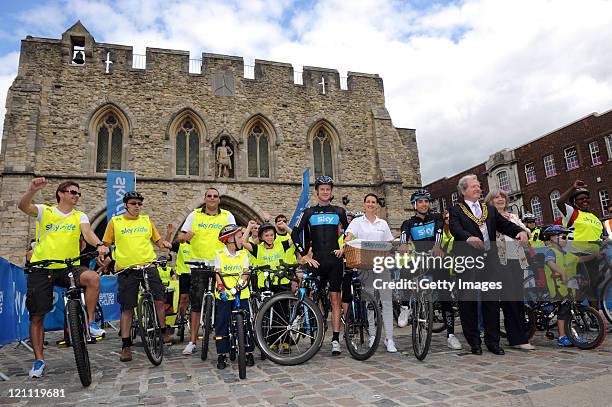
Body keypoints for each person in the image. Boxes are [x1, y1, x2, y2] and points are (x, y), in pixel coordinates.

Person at [18, 178, 109, 378]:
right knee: (37, 316)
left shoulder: (80, 216)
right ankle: (39, 360)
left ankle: (91, 323)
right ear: (61, 193)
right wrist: (32, 190)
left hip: (68, 267)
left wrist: (100, 244)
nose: (76, 196)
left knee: (93, 278)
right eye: (72, 192)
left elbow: (88, 232)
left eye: (78, 193)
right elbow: (23, 206)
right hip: (42, 268)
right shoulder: (46, 211)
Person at [449, 175, 528, 356]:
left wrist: (520, 231)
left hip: (489, 261)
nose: (478, 189)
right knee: (468, 301)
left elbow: (505, 225)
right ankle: (474, 342)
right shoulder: (456, 210)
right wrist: (468, 237)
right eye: (474, 187)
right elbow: (455, 228)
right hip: (467, 260)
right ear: (463, 191)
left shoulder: (489, 210)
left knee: (491, 301)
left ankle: (493, 341)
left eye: (479, 186)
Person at [102, 191, 172, 362]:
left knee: (160, 299)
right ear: (126, 205)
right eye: (133, 203)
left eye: (139, 204)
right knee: (127, 308)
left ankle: (162, 330)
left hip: (148, 264)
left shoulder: (146, 220)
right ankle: (126, 346)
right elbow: (105, 245)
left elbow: (158, 242)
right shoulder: (115, 222)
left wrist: (165, 242)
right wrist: (106, 260)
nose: (137, 207)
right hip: (127, 269)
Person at [291, 175, 349, 355]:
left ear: (331, 192)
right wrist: (304, 256)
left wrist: (344, 247)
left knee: (335, 299)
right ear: (317, 192)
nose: (325, 192)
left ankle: (335, 340)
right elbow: (294, 234)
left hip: (334, 261)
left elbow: (350, 232)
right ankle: (315, 332)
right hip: (316, 261)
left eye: (328, 189)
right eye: (322, 189)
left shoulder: (339, 211)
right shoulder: (308, 213)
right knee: (310, 297)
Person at [400, 189, 462, 350]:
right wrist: (403, 245)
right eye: (420, 201)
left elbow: (439, 232)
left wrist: (437, 246)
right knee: (406, 269)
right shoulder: (409, 223)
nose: (424, 204)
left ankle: (450, 335)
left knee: (445, 296)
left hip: (436, 258)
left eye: (426, 201)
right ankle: (405, 307)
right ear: (414, 204)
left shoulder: (435, 218)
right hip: (419, 258)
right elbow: (403, 236)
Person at [177, 187, 236, 355]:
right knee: (195, 305)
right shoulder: (194, 215)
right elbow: (180, 236)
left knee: (224, 303)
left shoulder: (227, 216)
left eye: (215, 196)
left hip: (220, 264)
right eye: (209, 196)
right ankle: (193, 341)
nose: (212, 198)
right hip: (198, 264)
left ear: (219, 200)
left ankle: (225, 336)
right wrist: (185, 237)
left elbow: (234, 237)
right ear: (204, 198)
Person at [344, 193, 397, 352]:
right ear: (364, 204)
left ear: (377, 205)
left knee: (386, 302)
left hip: (381, 265)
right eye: (368, 202)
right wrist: (345, 243)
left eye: (373, 202)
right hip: (365, 265)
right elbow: (349, 237)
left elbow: (388, 243)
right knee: (370, 302)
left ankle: (389, 338)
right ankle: (373, 335)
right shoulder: (356, 222)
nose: (371, 204)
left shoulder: (383, 223)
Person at [484, 190, 534, 351]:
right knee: (510, 300)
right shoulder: (488, 218)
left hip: (517, 261)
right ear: (490, 202)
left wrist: (522, 232)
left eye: (502, 197)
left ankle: (517, 336)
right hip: (500, 261)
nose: (500, 199)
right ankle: (518, 338)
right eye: (496, 197)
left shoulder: (513, 217)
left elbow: (527, 233)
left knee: (517, 299)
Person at [214, 224, 255, 369]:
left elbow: (245, 272)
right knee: (222, 323)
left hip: (241, 293)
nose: (241, 240)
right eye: (239, 237)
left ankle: (249, 351)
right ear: (230, 239)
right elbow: (218, 274)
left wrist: (239, 285)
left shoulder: (243, 254)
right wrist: (222, 289)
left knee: (247, 322)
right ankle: (222, 354)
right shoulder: (219, 254)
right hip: (225, 294)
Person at [557, 180, 604, 304]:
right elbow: (560, 202)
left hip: (592, 256)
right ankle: (571, 313)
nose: (585, 200)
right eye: (581, 199)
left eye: (587, 198)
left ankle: (595, 318)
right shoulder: (572, 212)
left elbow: (597, 236)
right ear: (574, 202)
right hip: (576, 256)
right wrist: (573, 188)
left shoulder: (594, 217)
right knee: (582, 288)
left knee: (593, 289)